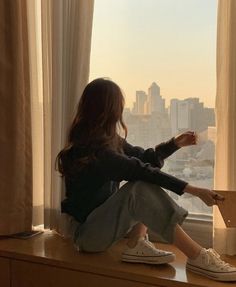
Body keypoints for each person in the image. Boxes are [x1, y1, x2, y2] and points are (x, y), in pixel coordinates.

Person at [57, 78, 236, 282]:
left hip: (100, 228)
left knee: (143, 181)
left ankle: (136, 243)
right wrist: (195, 190)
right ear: (111, 110)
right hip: (86, 236)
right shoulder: (95, 150)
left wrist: (175, 143)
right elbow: (139, 169)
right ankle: (197, 256)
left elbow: (143, 158)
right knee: (139, 188)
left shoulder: (107, 140)